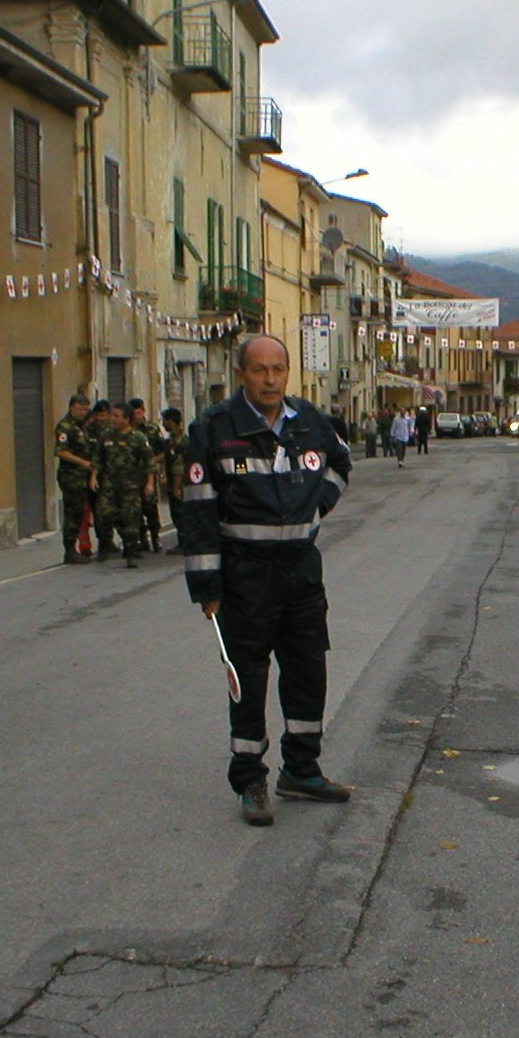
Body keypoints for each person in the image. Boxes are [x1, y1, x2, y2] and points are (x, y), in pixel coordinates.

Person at [179, 333, 353, 825]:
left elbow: (340, 463)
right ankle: (250, 779)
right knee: (249, 680)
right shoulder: (215, 428)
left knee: (307, 672)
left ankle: (301, 770)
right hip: (244, 577)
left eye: (278, 368)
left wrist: (318, 503)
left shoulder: (311, 422)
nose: (270, 378)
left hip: (300, 572)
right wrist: (207, 587)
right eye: (259, 369)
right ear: (242, 374)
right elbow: (197, 511)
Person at [93, 404, 153, 568]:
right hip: (109, 485)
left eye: (116, 416)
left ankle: (131, 552)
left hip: (131, 486)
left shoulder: (138, 438)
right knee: (104, 514)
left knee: (131, 520)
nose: (112, 419)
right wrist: (94, 477)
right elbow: (98, 459)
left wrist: (149, 483)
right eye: (112, 415)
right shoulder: (106, 436)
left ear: (126, 419)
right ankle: (106, 544)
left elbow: (149, 462)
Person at [52, 393, 94, 564]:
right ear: (71, 407)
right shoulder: (65, 426)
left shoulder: (82, 426)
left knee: (80, 513)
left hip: (83, 477)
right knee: (72, 512)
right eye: (80, 409)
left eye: (85, 409)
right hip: (71, 477)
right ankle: (69, 549)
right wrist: (83, 463)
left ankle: (78, 546)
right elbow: (61, 451)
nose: (83, 412)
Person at [129, 398, 166, 553]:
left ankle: (155, 538)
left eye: (139, 412)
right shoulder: (127, 431)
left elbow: (163, 452)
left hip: (148, 475)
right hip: (131, 477)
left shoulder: (152, 429)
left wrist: (150, 462)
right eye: (134, 413)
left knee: (150, 508)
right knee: (134, 510)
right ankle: (141, 539)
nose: (137, 416)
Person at [86, 399, 119, 559]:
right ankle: (104, 543)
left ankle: (113, 540)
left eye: (103, 415)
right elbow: (95, 457)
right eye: (97, 414)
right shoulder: (88, 430)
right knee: (100, 512)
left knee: (114, 512)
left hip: (113, 477)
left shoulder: (113, 431)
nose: (100, 418)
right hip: (96, 477)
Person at [160, 407, 188, 554]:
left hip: (181, 485)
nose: (163, 423)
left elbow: (179, 467)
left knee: (180, 513)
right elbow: (164, 456)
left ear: (171, 422)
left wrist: (177, 487)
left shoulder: (180, 442)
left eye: (164, 420)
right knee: (176, 513)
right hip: (174, 483)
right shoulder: (172, 441)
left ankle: (184, 542)